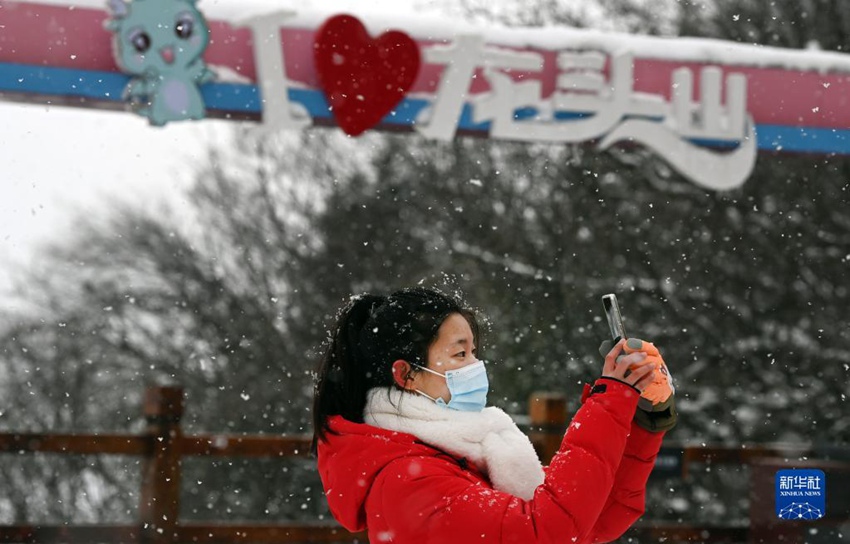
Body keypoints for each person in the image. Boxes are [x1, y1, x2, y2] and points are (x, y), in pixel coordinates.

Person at [312, 286, 677, 544]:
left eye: (474, 351)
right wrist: (610, 398)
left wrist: (640, 416)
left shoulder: (466, 458)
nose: (476, 365)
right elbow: (548, 530)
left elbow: (595, 518)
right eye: (459, 355)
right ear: (406, 374)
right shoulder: (409, 480)